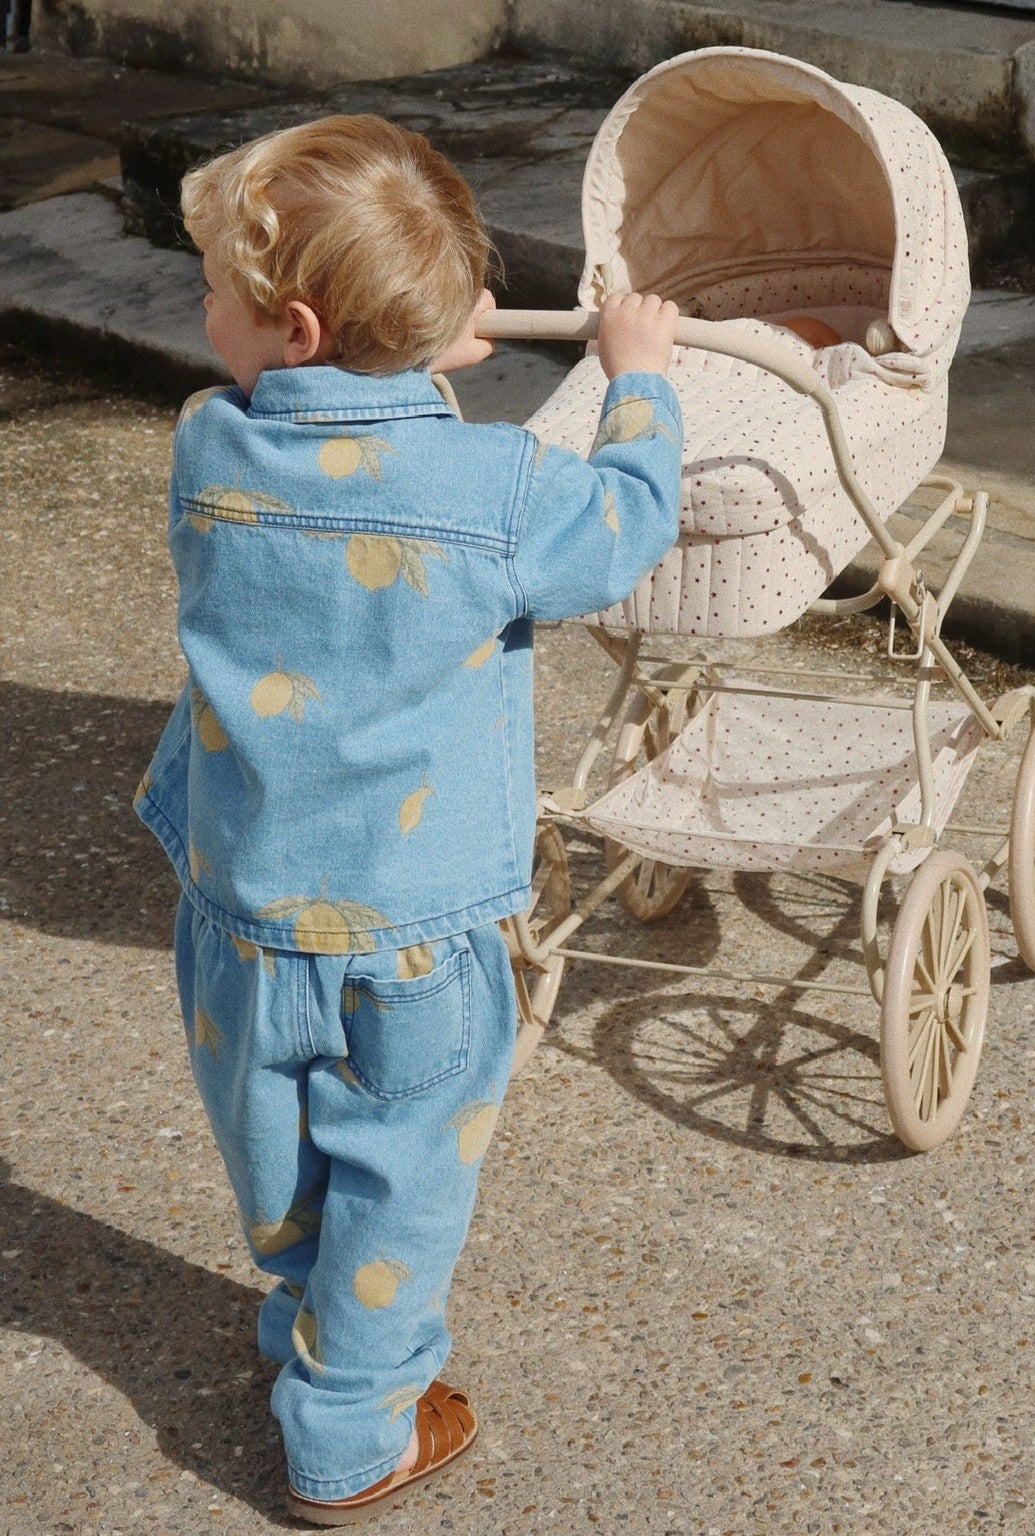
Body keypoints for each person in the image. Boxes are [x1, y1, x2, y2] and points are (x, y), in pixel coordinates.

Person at [133, 112, 681, 1524]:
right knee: (405, 1181)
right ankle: (348, 1434)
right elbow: (625, 525)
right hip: (413, 937)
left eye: (215, 292)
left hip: (242, 915)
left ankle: (309, 1320)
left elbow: (334, 420)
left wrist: (410, 347)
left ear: (297, 330)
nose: (203, 315)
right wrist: (637, 381)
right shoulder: (501, 493)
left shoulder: (210, 448)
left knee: (283, 1159)